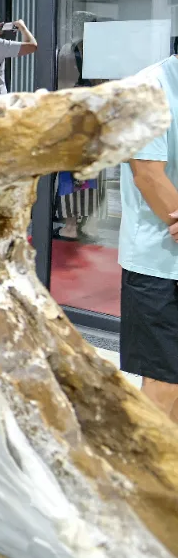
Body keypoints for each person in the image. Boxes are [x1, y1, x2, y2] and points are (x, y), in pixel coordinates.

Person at [119, 51, 178, 424]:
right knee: (163, 383)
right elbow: (148, 175)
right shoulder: (148, 88)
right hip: (158, 264)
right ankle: (147, 478)